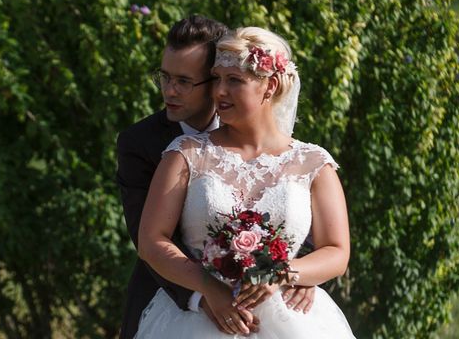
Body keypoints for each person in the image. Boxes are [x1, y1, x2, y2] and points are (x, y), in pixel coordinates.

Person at [136, 26, 355, 338]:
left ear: (271, 85)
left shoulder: (313, 163)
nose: (219, 91)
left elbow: (337, 251)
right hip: (196, 323)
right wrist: (206, 286)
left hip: (292, 320)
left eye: (234, 80)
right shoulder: (185, 155)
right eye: (217, 78)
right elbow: (151, 242)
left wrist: (285, 274)